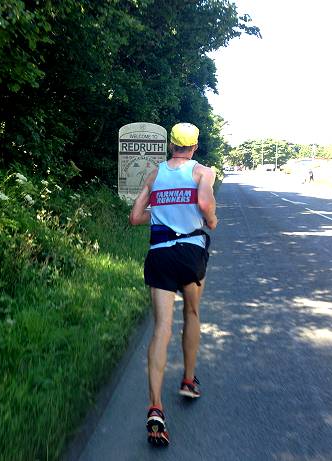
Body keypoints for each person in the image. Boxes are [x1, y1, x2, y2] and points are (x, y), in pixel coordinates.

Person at [129, 122, 218, 447]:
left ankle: (155, 407)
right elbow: (207, 206)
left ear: (170, 145)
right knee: (192, 314)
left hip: (160, 255)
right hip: (191, 253)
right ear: (194, 146)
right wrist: (212, 221)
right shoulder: (203, 172)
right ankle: (188, 381)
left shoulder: (154, 174)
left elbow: (135, 216)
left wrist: (161, 208)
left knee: (161, 327)